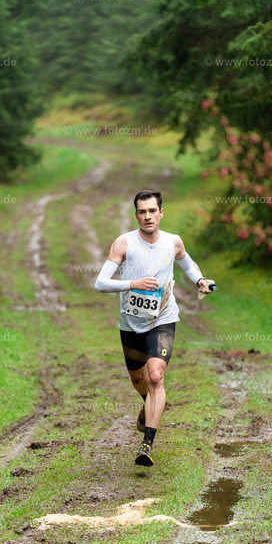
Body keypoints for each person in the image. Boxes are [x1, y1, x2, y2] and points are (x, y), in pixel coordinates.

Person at [95, 190, 214, 467]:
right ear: (136, 214)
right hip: (130, 324)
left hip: (163, 318)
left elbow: (186, 262)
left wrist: (200, 280)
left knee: (156, 376)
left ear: (161, 213)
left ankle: (146, 444)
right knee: (139, 380)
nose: (147, 216)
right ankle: (148, 402)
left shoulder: (173, 241)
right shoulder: (124, 243)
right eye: (142, 212)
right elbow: (100, 283)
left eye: (152, 211)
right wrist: (132, 284)